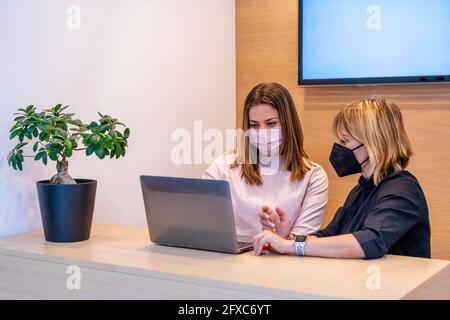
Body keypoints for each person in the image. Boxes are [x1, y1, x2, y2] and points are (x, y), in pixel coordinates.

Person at [252, 98, 431, 259]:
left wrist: (289, 246)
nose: (339, 147)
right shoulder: (361, 190)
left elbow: (370, 242)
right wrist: (287, 237)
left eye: (345, 141)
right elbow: (328, 236)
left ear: (374, 144)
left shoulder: (402, 189)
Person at [202, 82, 328, 238]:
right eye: (254, 125)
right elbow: (199, 219)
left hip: (281, 261)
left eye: (271, 123)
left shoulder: (313, 176)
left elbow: (302, 243)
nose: (263, 132)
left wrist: (284, 237)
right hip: (230, 259)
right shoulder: (224, 167)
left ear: (289, 123)